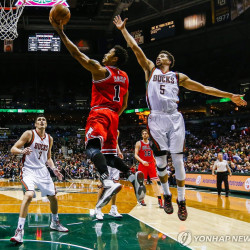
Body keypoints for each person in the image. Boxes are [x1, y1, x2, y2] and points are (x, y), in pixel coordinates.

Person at [113, 15, 247, 221]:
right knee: (161, 163)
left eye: (163, 56)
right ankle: (167, 195)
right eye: (158, 56)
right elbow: (135, 48)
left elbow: (204, 88)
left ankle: (181, 200)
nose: (159, 58)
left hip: (175, 118)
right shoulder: (150, 69)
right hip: (156, 118)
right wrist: (123, 30)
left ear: (170, 61)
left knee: (178, 161)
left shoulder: (179, 77)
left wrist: (229, 95)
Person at [50, 18, 146, 209]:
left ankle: (107, 182)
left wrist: (61, 32)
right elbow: (124, 103)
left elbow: (77, 55)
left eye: (109, 53)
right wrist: (113, 116)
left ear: (115, 59)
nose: (105, 54)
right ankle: (131, 175)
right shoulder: (125, 77)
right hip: (114, 117)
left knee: (91, 148)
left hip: (99, 113)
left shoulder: (101, 70)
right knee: (109, 157)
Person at [10, 115, 68, 243]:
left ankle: (55, 222)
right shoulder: (29, 134)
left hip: (43, 171)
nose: (41, 121)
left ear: (46, 124)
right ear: (36, 124)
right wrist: (22, 151)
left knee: (53, 197)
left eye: (44, 120)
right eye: (39, 120)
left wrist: (54, 169)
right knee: (29, 195)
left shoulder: (49, 138)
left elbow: (48, 158)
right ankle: (19, 230)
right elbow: (13, 149)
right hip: (29, 170)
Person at [95, 131, 123, 220]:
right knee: (102, 185)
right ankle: (98, 208)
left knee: (115, 185)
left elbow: (116, 142)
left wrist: (119, 151)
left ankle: (113, 209)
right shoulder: (101, 129)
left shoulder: (117, 131)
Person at [135, 129, 163, 208]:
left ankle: (160, 200)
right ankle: (141, 199)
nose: (144, 135)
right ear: (141, 135)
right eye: (143, 133)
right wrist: (142, 161)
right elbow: (136, 155)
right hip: (142, 164)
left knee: (155, 182)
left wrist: (154, 160)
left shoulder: (152, 143)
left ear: (148, 135)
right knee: (142, 183)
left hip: (151, 165)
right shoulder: (138, 143)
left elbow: (151, 153)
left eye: (146, 133)